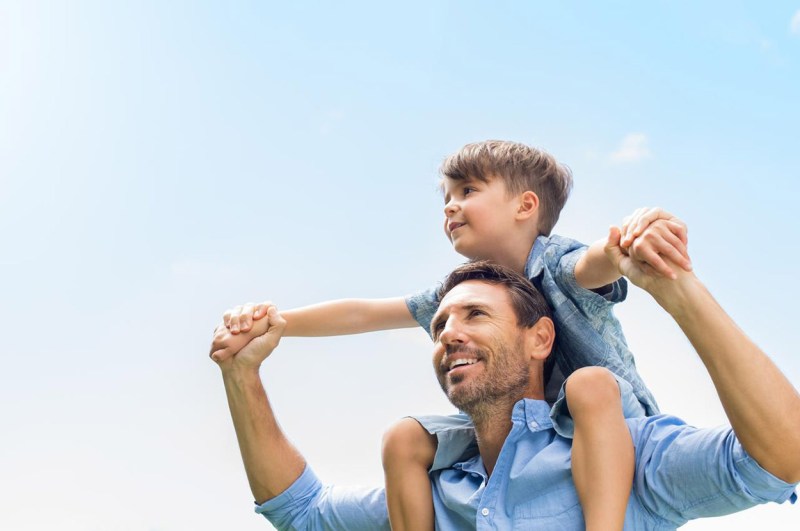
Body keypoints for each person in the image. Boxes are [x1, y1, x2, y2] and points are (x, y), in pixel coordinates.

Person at [214, 140, 691, 530]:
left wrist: (625, 243)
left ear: (526, 205)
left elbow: (595, 265)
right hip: (518, 430)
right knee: (405, 439)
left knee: (588, 384)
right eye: (446, 197)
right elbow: (365, 314)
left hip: (603, 419)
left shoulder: (557, 261)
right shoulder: (461, 295)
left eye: (466, 191)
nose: (450, 206)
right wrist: (278, 322)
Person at [209, 234, 799, 529]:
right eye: (439, 325)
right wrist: (243, 375)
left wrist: (678, 290)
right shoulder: (433, 494)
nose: (448, 335)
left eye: (475, 316)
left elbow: (780, 458)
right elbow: (302, 512)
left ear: (541, 339)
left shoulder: (621, 460)